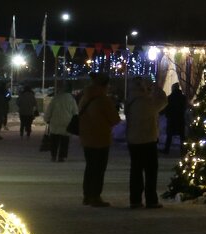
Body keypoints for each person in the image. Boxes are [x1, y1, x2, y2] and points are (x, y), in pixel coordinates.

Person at [78, 73, 121, 207]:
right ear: (104, 85)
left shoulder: (85, 98)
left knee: (90, 167)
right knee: (99, 169)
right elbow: (115, 119)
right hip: (100, 138)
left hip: (86, 137)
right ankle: (95, 196)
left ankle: (87, 195)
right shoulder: (103, 100)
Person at [125, 76, 168, 208]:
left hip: (133, 140)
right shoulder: (146, 102)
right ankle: (151, 199)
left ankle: (135, 199)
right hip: (147, 139)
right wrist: (156, 86)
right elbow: (163, 101)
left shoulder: (130, 101)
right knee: (150, 170)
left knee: (136, 170)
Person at [44, 84, 79, 162]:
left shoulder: (55, 98)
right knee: (64, 141)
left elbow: (49, 110)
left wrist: (46, 119)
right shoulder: (71, 99)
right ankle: (61, 156)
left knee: (54, 141)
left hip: (55, 122)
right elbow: (75, 112)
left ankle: (53, 155)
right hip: (67, 123)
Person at [161, 83, 188, 154]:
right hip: (180, 118)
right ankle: (183, 150)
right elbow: (185, 107)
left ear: (173, 88)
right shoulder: (183, 97)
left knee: (169, 135)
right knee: (182, 136)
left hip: (172, 118)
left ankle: (167, 150)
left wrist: (166, 114)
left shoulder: (170, 97)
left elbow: (166, 108)